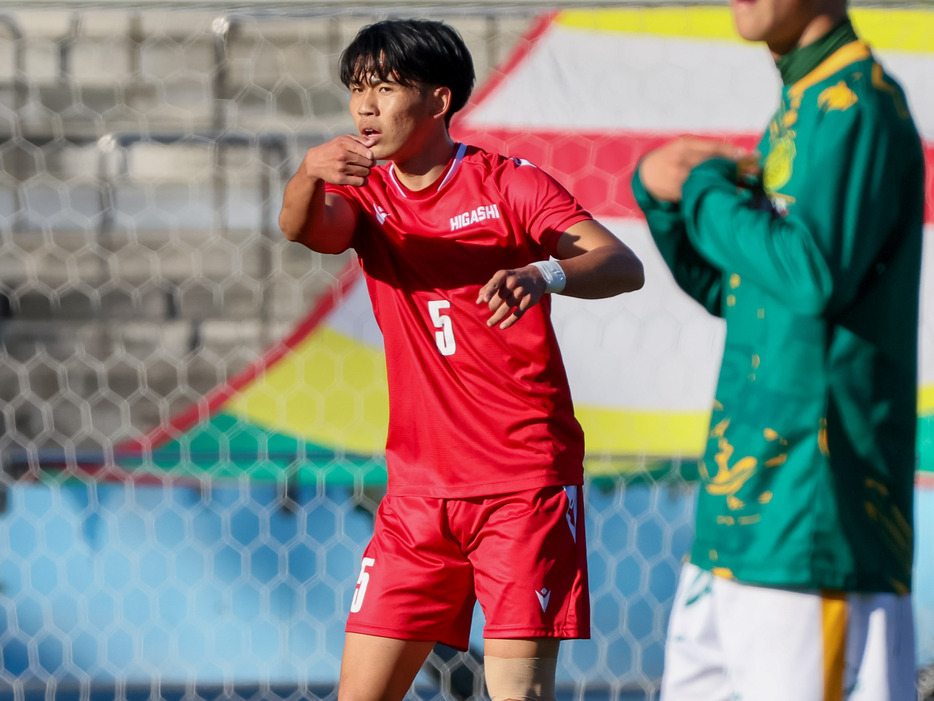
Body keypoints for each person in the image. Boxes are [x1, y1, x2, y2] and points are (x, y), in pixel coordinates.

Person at [279, 18, 645, 701]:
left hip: (521, 485)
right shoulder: (365, 194)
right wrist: (306, 174)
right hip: (417, 495)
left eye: (385, 87)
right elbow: (308, 229)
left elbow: (621, 264)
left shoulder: (509, 185)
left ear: (438, 101)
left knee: (518, 694)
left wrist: (546, 273)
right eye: (357, 88)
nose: (364, 106)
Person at [632, 0, 924, 698]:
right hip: (737, 526)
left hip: (811, 525)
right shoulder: (800, 103)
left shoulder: (857, 102)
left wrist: (701, 189)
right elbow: (743, 290)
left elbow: (808, 272)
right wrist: (665, 206)